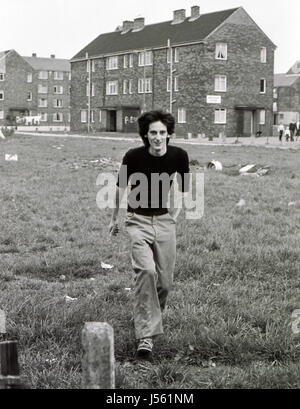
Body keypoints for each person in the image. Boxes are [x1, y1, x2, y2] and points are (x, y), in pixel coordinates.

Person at [109, 110, 190, 362]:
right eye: (153, 132)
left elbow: (186, 189)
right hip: (137, 220)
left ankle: (149, 317)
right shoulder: (133, 156)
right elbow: (120, 188)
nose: (158, 137)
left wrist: (175, 215)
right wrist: (113, 219)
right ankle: (146, 337)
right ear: (146, 134)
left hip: (164, 221)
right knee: (147, 271)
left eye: (162, 132)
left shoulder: (179, 156)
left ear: (169, 134)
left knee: (165, 282)